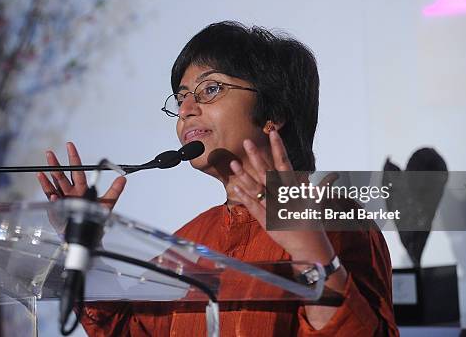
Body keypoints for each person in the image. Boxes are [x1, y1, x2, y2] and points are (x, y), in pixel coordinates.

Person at [37, 21, 398, 336]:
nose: (186, 110)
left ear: (273, 113)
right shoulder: (188, 240)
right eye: (180, 99)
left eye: (210, 90)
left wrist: (313, 255)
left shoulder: (336, 220)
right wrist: (87, 248)